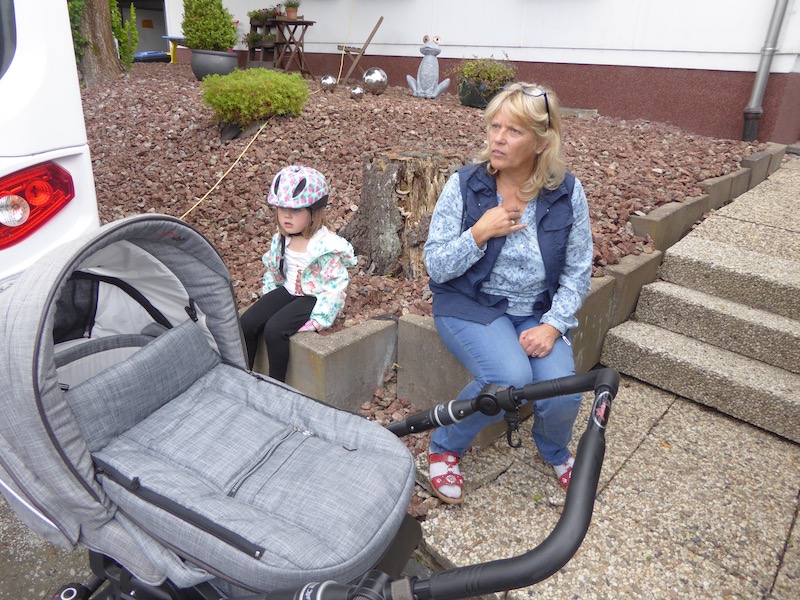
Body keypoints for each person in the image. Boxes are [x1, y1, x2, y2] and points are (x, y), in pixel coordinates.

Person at [423, 82, 593, 504]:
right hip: (470, 304)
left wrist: (553, 325)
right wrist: (479, 233)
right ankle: (445, 446)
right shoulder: (465, 185)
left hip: (536, 309)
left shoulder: (566, 193)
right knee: (508, 380)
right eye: (494, 126)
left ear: (541, 142)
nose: (497, 138)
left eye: (513, 131)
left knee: (564, 390)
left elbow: (577, 270)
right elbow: (437, 265)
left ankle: (553, 451)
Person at [240, 165, 356, 382]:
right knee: (247, 322)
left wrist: (321, 318)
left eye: (295, 211)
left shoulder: (325, 246)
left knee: (275, 330)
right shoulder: (282, 239)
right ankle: (244, 375)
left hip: (312, 296)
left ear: (314, 212)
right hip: (287, 290)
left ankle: (276, 384)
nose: (286, 216)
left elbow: (335, 285)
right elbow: (274, 267)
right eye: (281, 209)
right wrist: (270, 293)